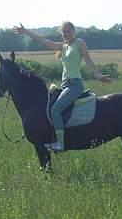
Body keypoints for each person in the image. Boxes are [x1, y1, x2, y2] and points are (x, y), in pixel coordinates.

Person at [13, 21, 112, 152]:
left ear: (73, 31)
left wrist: (98, 75)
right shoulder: (62, 47)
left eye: (68, 31)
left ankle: (60, 143)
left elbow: (88, 60)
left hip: (74, 85)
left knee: (55, 110)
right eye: (64, 32)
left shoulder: (80, 43)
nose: (66, 34)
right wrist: (25, 31)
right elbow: (42, 40)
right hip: (65, 86)